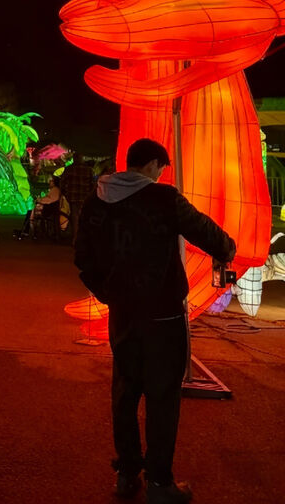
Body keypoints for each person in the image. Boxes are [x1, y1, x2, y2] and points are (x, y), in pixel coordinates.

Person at [74, 138, 236, 504]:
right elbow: (204, 230)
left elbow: (82, 257)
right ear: (149, 165)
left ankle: (127, 475)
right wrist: (228, 248)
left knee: (125, 394)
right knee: (163, 399)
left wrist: (109, 293)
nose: (159, 175)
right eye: (159, 168)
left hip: (123, 315)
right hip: (163, 315)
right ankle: (160, 484)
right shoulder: (163, 198)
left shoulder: (95, 200)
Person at [60, 152, 95, 242]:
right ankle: (84, 237)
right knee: (84, 217)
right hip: (85, 197)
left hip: (73, 197)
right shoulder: (89, 170)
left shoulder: (69, 169)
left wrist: (65, 193)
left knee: (75, 217)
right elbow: (92, 185)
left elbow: (62, 183)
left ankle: (76, 238)